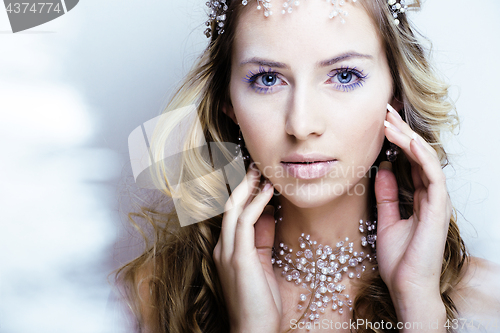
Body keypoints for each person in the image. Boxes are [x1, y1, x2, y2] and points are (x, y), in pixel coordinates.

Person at [114, 0, 500, 332]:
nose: (301, 125)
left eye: (344, 76)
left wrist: (418, 306)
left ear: (396, 92)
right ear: (227, 101)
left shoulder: (486, 302)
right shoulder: (150, 295)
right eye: (267, 79)